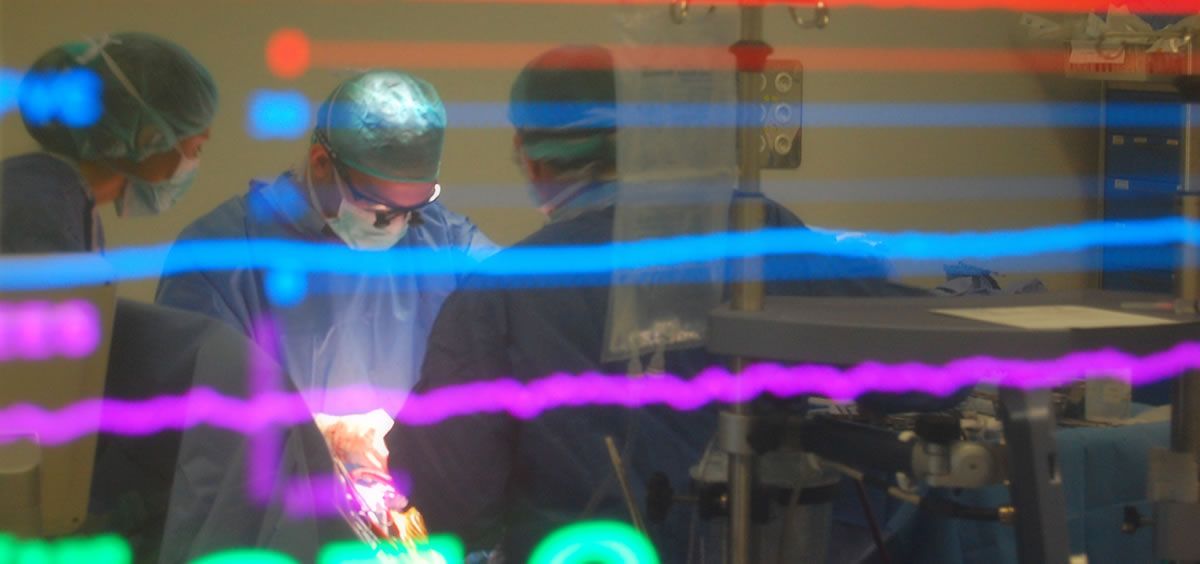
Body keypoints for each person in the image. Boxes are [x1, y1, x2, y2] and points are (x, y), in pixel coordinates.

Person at [386, 45, 931, 563]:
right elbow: (922, 365)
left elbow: (448, 499)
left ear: (531, 160)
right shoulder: (755, 232)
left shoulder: (499, 295)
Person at [156, 70, 495, 403]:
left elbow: (515, 306)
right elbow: (197, 414)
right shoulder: (218, 260)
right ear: (321, 163)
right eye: (379, 209)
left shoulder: (443, 240)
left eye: (413, 208)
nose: (398, 224)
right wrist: (302, 431)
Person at [1, 32, 216, 254]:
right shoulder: (41, 208)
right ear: (148, 137)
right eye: (197, 146)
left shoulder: (60, 199)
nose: (196, 158)